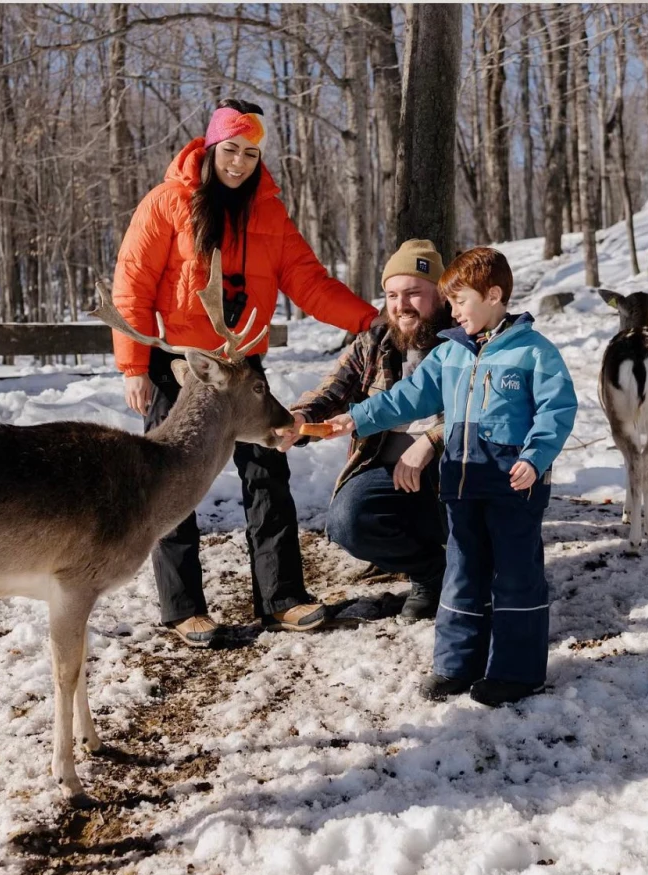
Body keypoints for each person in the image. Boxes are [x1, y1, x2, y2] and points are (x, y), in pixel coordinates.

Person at [112, 98, 380, 646]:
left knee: (267, 472)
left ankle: (282, 597)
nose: (239, 163)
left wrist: (370, 320)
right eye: (231, 150)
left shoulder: (269, 213)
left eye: (251, 154)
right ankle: (184, 608)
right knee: (169, 483)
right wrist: (134, 366)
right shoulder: (167, 204)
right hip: (181, 369)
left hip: (243, 368)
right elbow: (132, 284)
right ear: (211, 148)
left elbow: (308, 281)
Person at [323, 247, 578, 706]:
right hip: (463, 482)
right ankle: (456, 664)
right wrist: (358, 418)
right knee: (463, 571)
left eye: (460, 301)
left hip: (515, 486)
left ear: (494, 295)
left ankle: (517, 673)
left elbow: (557, 410)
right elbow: (406, 398)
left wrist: (535, 457)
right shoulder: (452, 355)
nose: (454, 311)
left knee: (516, 575)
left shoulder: (533, 352)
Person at [283, 240, 453, 622]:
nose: (401, 305)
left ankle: (470, 572)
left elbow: (482, 411)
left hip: (453, 468)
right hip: (385, 469)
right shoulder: (376, 342)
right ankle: (430, 572)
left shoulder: (462, 340)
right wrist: (299, 418)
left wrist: (430, 440)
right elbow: (331, 391)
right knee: (347, 520)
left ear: (440, 295)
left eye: (414, 293)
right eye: (392, 294)